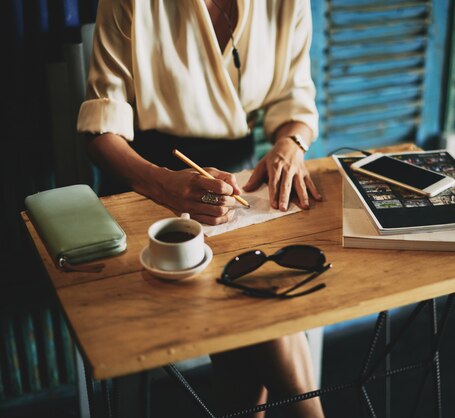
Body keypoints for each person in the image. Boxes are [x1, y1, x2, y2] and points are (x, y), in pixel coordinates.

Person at [76, 0, 325, 416]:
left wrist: (289, 144)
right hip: (143, 183)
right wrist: (163, 183)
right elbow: (100, 132)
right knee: (254, 300)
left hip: (236, 182)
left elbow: (294, 99)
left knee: (251, 298)